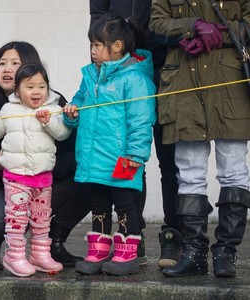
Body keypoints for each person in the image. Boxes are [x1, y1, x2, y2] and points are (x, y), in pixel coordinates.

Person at [0, 41, 90, 272]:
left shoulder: (51, 102)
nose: (7, 69)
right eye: (2, 63)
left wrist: (45, 166)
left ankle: (49, 246)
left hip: (41, 178)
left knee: (88, 183)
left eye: (15, 63)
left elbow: (72, 145)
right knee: (9, 217)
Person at [149, 0, 250, 277]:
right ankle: (194, 253)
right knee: (189, 173)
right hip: (184, 82)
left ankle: (226, 253)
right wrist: (190, 28)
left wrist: (220, 32)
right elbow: (156, 23)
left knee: (234, 172)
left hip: (229, 83)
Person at [89, 0, 181, 269]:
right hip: (120, 68)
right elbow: (98, 18)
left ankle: (173, 234)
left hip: (168, 69)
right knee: (129, 159)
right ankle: (131, 234)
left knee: (170, 161)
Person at [63, 13, 156, 276]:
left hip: (123, 158)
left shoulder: (135, 79)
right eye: (91, 45)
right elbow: (80, 99)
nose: (92, 51)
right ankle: (99, 251)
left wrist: (136, 154)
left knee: (125, 203)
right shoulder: (90, 75)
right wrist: (73, 111)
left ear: (116, 46)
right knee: (99, 204)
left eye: (96, 45)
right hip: (94, 157)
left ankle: (128, 253)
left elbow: (141, 119)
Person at [0, 63, 71, 277]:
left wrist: (49, 122)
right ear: (18, 90)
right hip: (16, 178)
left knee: (41, 219)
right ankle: (15, 256)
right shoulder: (9, 110)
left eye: (42, 86)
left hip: (42, 178)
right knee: (17, 218)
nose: (37, 91)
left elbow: (63, 133)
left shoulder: (54, 108)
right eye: (30, 87)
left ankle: (40, 254)